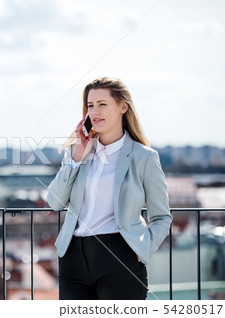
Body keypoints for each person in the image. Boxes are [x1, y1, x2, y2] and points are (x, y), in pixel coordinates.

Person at [47, 77, 172, 300]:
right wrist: (77, 156)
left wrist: (141, 251)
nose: (95, 111)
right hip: (73, 258)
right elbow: (54, 201)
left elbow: (162, 216)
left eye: (102, 104)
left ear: (123, 107)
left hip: (120, 256)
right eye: (90, 105)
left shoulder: (144, 157)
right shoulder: (77, 152)